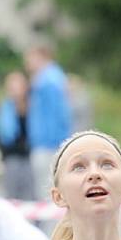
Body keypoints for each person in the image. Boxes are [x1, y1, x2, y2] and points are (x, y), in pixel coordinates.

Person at [23, 44, 72, 200]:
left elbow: (56, 115)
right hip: (48, 142)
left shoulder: (47, 81)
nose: (27, 62)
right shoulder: (51, 78)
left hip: (48, 144)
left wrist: (55, 142)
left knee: (47, 191)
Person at [0, 71, 35, 202]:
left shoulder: (35, 105)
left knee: (32, 193)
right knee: (12, 194)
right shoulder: (6, 107)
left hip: (31, 155)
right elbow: (3, 134)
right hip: (12, 156)